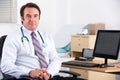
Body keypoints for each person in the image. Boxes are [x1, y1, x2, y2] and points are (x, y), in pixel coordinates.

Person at [1, 2, 61, 80]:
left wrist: (49, 73)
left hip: (48, 77)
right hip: (28, 78)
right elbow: (6, 66)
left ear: (39, 18)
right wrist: (29, 72)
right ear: (22, 18)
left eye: (35, 16)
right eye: (28, 16)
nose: (32, 19)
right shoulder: (13, 37)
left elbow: (55, 59)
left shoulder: (46, 36)